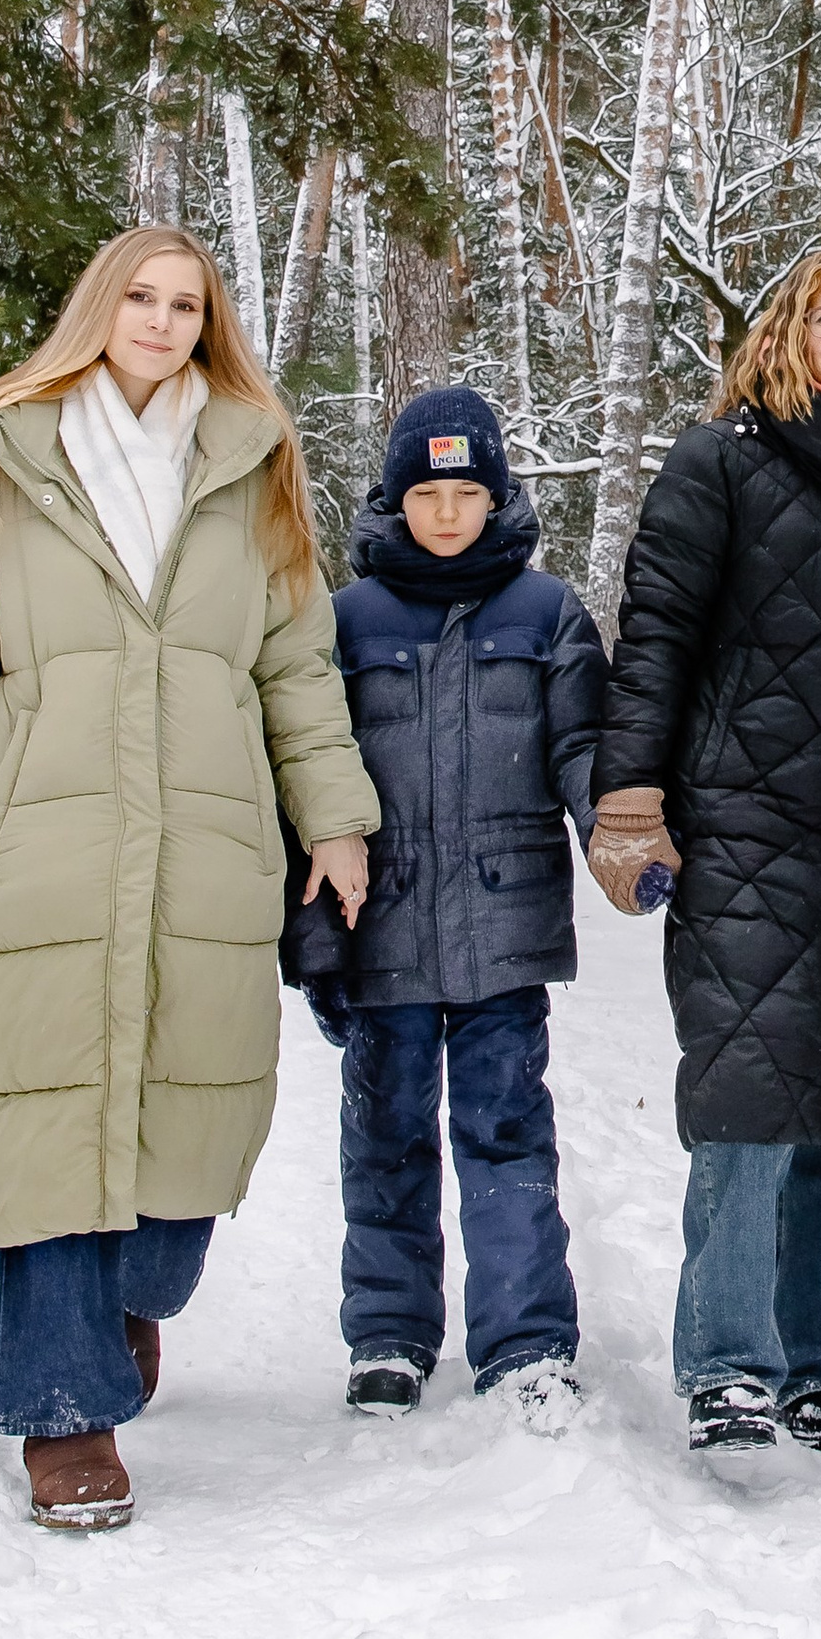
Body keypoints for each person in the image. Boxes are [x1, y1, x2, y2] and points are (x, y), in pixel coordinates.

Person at [0, 226, 375, 1533]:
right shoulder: (4, 452)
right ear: (97, 308)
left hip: (211, 845)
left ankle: (134, 1299)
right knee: (50, 1125)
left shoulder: (251, 459)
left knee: (192, 1129)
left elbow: (296, 666)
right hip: (51, 846)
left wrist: (334, 820)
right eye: (142, 297)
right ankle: (66, 1417)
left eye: (188, 304)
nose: (163, 320)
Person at [587, 246, 821, 1458]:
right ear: (784, 335)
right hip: (740, 809)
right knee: (749, 1084)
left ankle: (815, 1364)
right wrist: (630, 797)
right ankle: (730, 1361)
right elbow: (656, 635)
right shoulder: (718, 463)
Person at [282, 383, 604, 1427]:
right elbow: (307, 777)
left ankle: (524, 1340)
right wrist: (314, 938)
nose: (451, 511)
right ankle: (387, 1332)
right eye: (430, 492)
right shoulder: (345, 620)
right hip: (382, 929)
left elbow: (585, 748)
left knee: (509, 1132)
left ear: (497, 494)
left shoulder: (545, 612)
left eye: (470, 490)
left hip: (505, 932)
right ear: (396, 497)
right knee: (384, 1136)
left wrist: (621, 834)